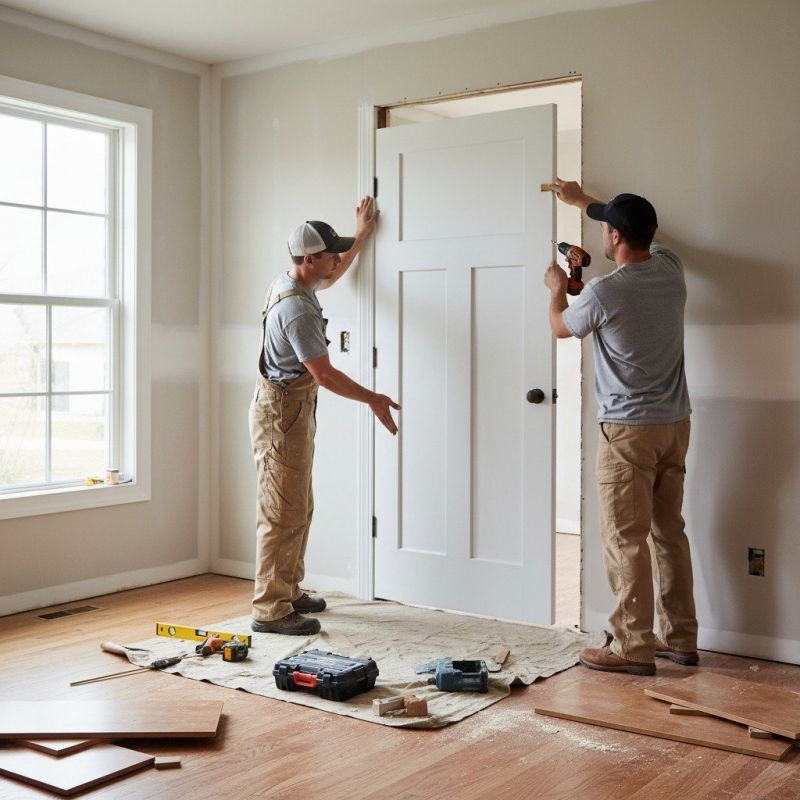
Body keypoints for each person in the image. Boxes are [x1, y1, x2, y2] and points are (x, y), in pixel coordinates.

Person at [544, 178, 698, 675]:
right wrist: (585, 201)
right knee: (668, 532)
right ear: (650, 234)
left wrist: (556, 289)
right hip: (675, 423)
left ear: (611, 236)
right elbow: (632, 231)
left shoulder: (606, 291)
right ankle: (680, 639)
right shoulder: (672, 270)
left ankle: (632, 646)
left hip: (628, 431)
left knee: (625, 537)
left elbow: (560, 327)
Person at [249, 197, 399, 635]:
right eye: (332, 254)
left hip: (291, 409)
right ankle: (270, 608)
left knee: (298, 504)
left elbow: (332, 277)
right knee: (281, 510)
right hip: (281, 414)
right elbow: (326, 375)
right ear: (310, 259)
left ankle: (288, 589)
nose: (338, 260)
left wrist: (363, 233)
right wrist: (374, 398)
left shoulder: (297, 283)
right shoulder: (296, 309)